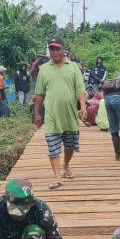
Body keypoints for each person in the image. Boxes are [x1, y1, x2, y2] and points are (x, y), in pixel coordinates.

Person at [33, 36, 86, 190]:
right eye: (52, 49)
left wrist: (83, 106)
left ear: (64, 50)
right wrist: (37, 114)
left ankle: (66, 165)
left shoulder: (73, 67)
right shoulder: (44, 69)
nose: (55, 52)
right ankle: (57, 177)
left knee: (70, 145)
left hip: (70, 115)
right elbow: (39, 94)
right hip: (52, 116)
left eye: (57, 48)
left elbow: (80, 89)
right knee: (53, 146)